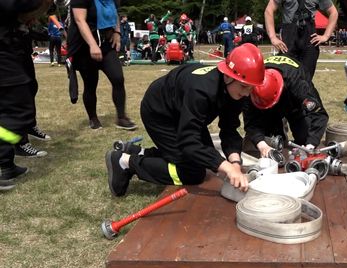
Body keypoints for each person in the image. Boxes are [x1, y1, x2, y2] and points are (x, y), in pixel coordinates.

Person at [104, 43, 265, 197]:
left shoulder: (236, 90)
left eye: (251, 88)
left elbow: (229, 129)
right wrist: (226, 167)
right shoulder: (201, 91)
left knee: (206, 158)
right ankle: (125, 162)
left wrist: (235, 164)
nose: (246, 93)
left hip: (181, 111)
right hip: (159, 113)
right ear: (228, 77)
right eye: (244, 87)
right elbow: (189, 142)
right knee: (192, 172)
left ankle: (140, 152)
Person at [0, 0, 53, 190]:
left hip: (10, 47)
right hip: (3, 52)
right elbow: (14, 6)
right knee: (20, 108)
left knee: (9, 111)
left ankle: (6, 165)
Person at [67, 0, 137, 130]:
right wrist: (92, 45)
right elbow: (80, 20)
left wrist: (117, 32)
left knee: (118, 78)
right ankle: (93, 118)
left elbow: (114, 14)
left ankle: (121, 118)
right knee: (90, 84)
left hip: (106, 43)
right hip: (84, 47)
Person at [244, 54, 329, 156]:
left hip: (294, 104)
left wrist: (310, 145)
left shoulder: (298, 85)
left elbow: (319, 114)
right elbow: (251, 122)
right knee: (272, 142)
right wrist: (262, 145)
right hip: (268, 110)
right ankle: (278, 127)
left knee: (305, 137)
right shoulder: (251, 88)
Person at [264, 0, 338, 81]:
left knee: (306, 80)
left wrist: (326, 36)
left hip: (310, 40)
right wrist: (273, 37)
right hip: (288, 40)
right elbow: (269, 10)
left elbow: (333, 12)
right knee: (286, 78)